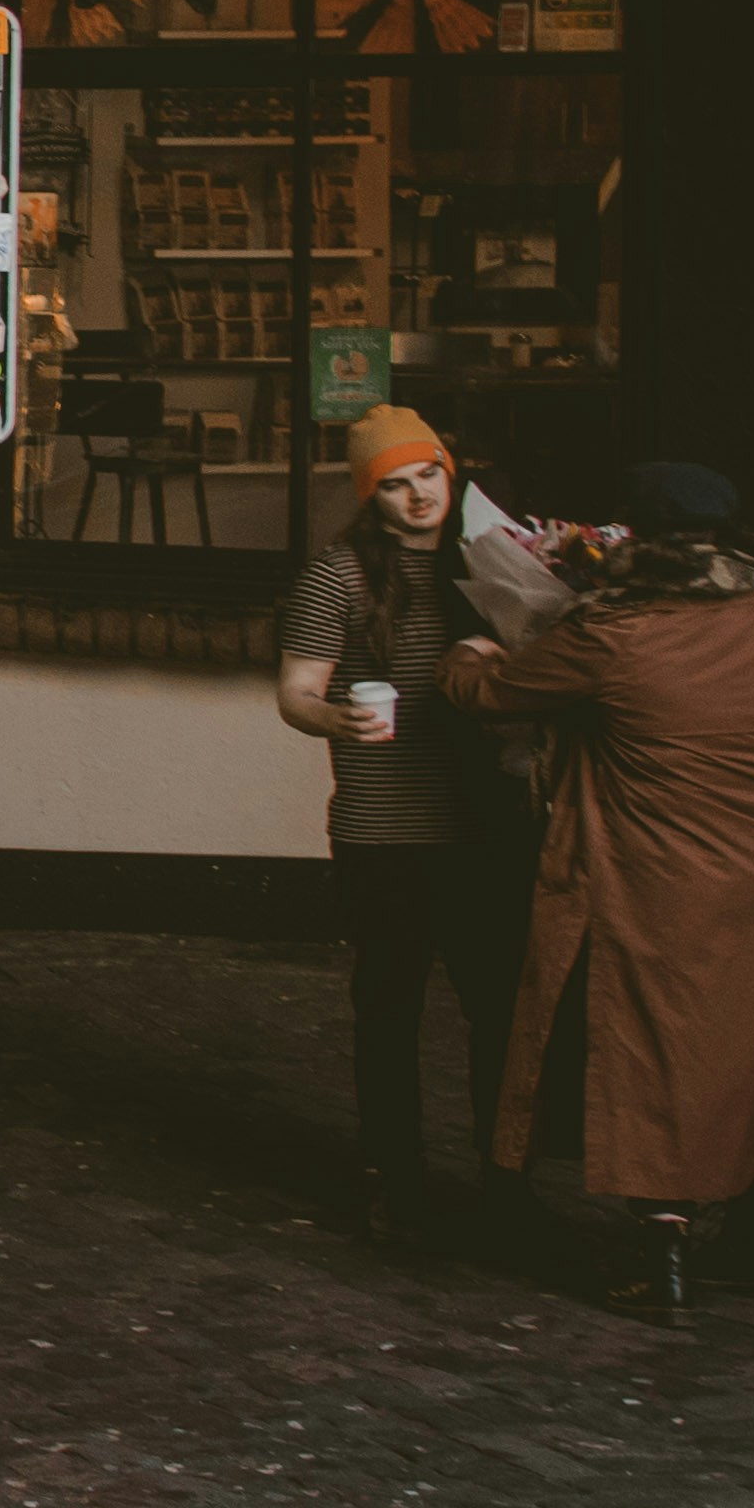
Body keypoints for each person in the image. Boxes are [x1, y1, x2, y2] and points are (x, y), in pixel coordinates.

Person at [450, 460, 754, 1311]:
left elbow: (489, 693)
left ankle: (661, 1256)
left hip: (653, 884)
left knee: (658, 1055)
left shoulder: (612, 634)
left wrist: (470, 649)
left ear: (631, 538)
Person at [270, 406, 533, 1247]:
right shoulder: (338, 574)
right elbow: (294, 690)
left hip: (483, 823)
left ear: (450, 473)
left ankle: (506, 1178)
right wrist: (331, 719)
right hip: (382, 828)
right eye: (394, 483)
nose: (417, 494)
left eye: (428, 474)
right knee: (388, 1008)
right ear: (367, 494)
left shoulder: (497, 563)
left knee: (497, 1010)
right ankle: (393, 1175)